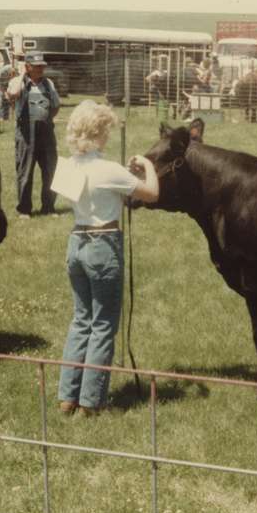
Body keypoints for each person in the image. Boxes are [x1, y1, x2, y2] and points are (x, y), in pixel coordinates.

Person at [53, 100, 159, 416]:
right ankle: (91, 402)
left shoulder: (69, 166)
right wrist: (148, 166)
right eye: (107, 131)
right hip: (104, 244)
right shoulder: (109, 169)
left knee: (81, 320)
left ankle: (67, 398)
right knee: (103, 324)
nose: (109, 137)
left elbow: (99, 186)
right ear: (99, 133)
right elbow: (152, 193)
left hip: (76, 242)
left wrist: (124, 176)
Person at [7, 51, 61, 217]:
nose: (40, 69)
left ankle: (49, 207)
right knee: (25, 172)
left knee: (50, 171)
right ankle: (24, 210)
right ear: (28, 66)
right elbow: (13, 94)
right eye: (36, 66)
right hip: (25, 134)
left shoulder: (48, 83)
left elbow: (56, 105)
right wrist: (22, 74)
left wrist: (45, 120)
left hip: (46, 134)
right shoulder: (18, 82)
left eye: (42, 66)